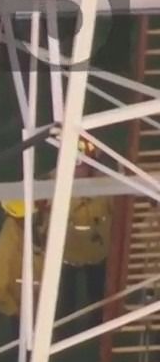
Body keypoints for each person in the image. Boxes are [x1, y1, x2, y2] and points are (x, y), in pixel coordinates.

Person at [36, 140, 112, 331]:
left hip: (96, 255)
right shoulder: (52, 185)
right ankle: (64, 329)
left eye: (83, 164)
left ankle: (96, 325)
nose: (78, 171)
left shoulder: (106, 184)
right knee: (65, 297)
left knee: (96, 294)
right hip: (67, 256)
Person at [0, 199, 46, 341]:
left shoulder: (23, 232)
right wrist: (18, 311)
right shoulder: (6, 247)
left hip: (36, 300)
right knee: (27, 351)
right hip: (23, 308)